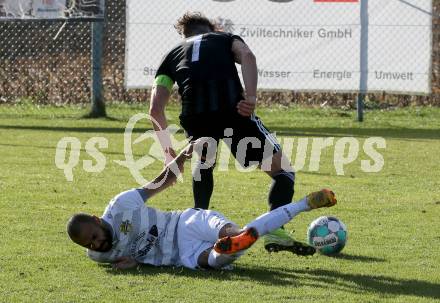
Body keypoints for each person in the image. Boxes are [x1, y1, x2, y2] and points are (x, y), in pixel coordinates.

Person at [149, 11, 312, 255]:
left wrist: (168, 152)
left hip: (196, 116)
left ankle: (198, 230)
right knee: (283, 171)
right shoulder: (224, 38)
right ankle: (275, 231)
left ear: (184, 35)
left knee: (204, 164)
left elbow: (155, 109)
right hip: (233, 111)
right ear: (212, 28)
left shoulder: (171, 55)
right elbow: (247, 55)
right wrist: (251, 97)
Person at [66, 141, 337, 270]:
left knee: (232, 234)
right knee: (211, 261)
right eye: (88, 245)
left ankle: (303, 204)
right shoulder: (100, 256)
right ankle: (227, 251)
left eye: (94, 236)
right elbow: (126, 261)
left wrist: (184, 155)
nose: (95, 244)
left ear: (97, 220)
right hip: (178, 255)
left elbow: (163, 182)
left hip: (183, 223)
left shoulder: (121, 205)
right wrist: (134, 263)